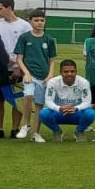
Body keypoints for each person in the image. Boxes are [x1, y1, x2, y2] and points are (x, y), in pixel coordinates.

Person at [13, 10, 57, 139]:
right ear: (30, 21)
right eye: (36, 20)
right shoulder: (24, 37)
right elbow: (19, 59)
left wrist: (50, 76)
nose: (39, 23)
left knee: (39, 105)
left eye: (42, 20)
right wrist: (26, 73)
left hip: (43, 77)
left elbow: (52, 60)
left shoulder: (48, 39)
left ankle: (36, 133)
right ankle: (25, 125)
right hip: (30, 76)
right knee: (28, 95)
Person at [0, 0, 30, 139]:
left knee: (17, 100)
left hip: (18, 68)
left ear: (9, 8)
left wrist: (19, 67)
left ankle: (15, 129)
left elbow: (27, 48)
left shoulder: (24, 26)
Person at [38, 59, 95, 141]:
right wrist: (59, 108)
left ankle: (79, 131)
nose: (69, 74)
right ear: (60, 72)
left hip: (76, 113)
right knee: (43, 114)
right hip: (59, 112)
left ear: (76, 71)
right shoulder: (52, 82)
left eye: (72, 71)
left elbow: (87, 102)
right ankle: (57, 131)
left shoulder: (84, 82)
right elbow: (48, 101)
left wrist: (76, 108)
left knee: (90, 113)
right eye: (66, 72)